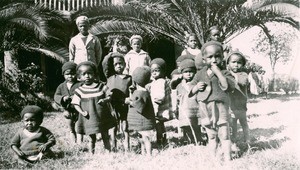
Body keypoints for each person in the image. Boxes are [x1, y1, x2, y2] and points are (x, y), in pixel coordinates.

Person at [189, 41, 235, 161]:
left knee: (224, 133)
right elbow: (191, 89)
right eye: (210, 57)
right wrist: (196, 87)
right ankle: (213, 158)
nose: (214, 59)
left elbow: (228, 86)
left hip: (221, 106)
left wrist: (218, 72)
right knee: (211, 134)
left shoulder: (225, 72)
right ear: (204, 60)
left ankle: (228, 158)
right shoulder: (200, 74)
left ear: (222, 57)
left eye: (217, 56)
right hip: (205, 107)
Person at [71, 61, 115, 154]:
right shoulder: (79, 90)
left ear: (94, 75)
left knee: (105, 135)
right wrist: (82, 112)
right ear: (79, 77)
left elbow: (110, 95)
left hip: (101, 116)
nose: (87, 76)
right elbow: (75, 103)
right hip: (89, 118)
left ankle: (108, 152)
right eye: (84, 74)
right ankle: (92, 154)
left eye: (89, 73)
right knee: (91, 138)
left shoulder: (100, 86)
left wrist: (105, 100)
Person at [126, 66, 156, 156]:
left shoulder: (141, 92)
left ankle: (149, 154)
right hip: (142, 121)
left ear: (135, 80)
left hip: (143, 121)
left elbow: (139, 105)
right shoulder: (142, 91)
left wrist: (129, 102)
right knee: (142, 138)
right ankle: (144, 153)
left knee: (145, 138)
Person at [106, 54, 132, 152]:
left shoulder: (129, 78)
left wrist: (129, 98)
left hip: (125, 105)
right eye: (116, 64)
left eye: (120, 64)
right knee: (113, 127)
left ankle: (127, 147)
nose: (118, 66)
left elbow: (132, 92)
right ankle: (113, 147)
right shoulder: (111, 78)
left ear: (125, 64)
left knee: (125, 127)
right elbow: (108, 91)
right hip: (113, 106)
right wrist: (111, 55)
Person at [226, 51, 250, 150]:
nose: (236, 64)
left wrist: (233, 75)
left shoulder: (243, 74)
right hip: (231, 104)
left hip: (241, 104)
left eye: (239, 62)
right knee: (233, 123)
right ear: (228, 63)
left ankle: (247, 140)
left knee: (244, 122)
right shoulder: (226, 74)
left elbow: (242, 83)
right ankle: (234, 141)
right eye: (233, 62)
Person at [175, 59, 202, 145]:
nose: (189, 74)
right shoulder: (180, 85)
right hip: (185, 108)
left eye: (191, 71)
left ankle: (199, 140)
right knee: (186, 126)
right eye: (186, 72)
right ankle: (190, 140)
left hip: (196, 108)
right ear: (182, 73)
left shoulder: (196, 84)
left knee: (196, 125)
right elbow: (177, 96)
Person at [147, 58, 172, 147]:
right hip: (158, 106)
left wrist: (157, 102)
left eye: (157, 70)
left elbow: (160, 95)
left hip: (159, 106)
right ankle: (163, 139)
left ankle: (160, 140)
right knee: (160, 124)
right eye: (152, 71)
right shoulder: (155, 82)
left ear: (163, 71)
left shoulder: (161, 81)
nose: (154, 73)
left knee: (158, 124)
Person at [54, 61, 81, 144]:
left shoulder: (80, 84)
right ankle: (73, 142)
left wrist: (76, 97)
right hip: (68, 111)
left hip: (79, 110)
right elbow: (56, 96)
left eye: (73, 73)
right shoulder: (61, 86)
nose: (70, 76)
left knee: (79, 127)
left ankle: (80, 143)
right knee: (71, 128)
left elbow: (84, 93)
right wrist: (62, 98)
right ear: (63, 74)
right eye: (67, 74)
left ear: (77, 73)